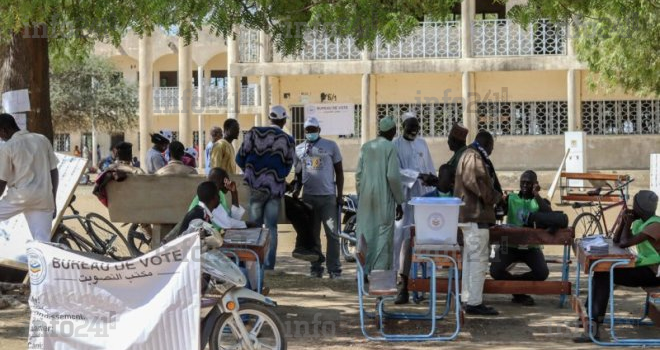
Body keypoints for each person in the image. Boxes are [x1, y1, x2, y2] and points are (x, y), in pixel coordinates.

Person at [574, 190, 660, 342]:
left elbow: (624, 243)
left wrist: (627, 223)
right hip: (645, 269)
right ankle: (590, 320)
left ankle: (594, 325)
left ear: (640, 207)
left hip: (654, 274)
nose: (632, 208)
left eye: (635, 204)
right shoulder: (641, 222)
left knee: (605, 272)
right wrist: (622, 221)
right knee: (602, 271)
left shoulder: (654, 225)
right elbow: (616, 240)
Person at [236, 105, 295, 270]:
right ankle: (269, 265)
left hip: (256, 187)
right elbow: (288, 166)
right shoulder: (288, 140)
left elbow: (240, 158)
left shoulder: (254, 133)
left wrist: (250, 171)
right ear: (283, 121)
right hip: (275, 189)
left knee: (255, 225)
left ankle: (254, 263)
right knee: (271, 227)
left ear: (270, 119)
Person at [454, 130, 503, 316]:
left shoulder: (467, 155)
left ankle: (467, 299)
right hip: (476, 217)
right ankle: (474, 302)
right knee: (478, 261)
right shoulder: (474, 157)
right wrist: (498, 197)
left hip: (468, 217)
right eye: (491, 146)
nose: (491, 150)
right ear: (486, 144)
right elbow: (483, 188)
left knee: (469, 260)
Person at [291, 117, 344, 279]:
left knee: (332, 234)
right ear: (304, 131)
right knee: (313, 235)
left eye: (313, 129)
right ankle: (316, 267)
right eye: (308, 130)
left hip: (328, 197)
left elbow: (339, 172)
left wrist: (339, 195)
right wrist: (296, 190)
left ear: (319, 130)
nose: (310, 132)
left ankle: (334, 269)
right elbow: (298, 173)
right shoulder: (299, 149)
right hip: (309, 197)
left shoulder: (331, 146)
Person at [489, 170, 551, 306]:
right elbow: (498, 213)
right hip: (509, 244)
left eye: (528, 183)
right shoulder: (511, 198)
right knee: (495, 270)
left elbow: (550, 215)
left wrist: (536, 195)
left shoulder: (540, 202)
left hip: (531, 246)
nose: (524, 186)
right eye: (522, 182)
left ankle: (516, 287)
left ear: (535, 185)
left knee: (542, 273)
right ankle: (519, 293)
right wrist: (501, 202)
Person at [391, 112, 435, 304]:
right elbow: (395, 172)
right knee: (400, 240)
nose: (413, 133)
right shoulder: (395, 145)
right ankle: (398, 283)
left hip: (423, 197)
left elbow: (430, 166)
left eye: (416, 129)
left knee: (421, 240)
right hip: (404, 198)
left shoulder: (422, 143)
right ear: (403, 128)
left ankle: (421, 285)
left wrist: (432, 181)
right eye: (410, 129)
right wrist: (417, 176)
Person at [355, 116, 405, 275]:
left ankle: (363, 272)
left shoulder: (366, 147)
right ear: (392, 131)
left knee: (366, 235)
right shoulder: (390, 147)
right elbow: (393, 176)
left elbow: (358, 175)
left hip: (365, 200)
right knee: (383, 237)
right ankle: (380, 275)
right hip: (384, 200)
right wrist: (399, 201)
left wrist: (362, 196)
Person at [0, 113, 59, 242]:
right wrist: (53, 200)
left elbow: (1, 182)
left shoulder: (8, 147)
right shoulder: (42, 139)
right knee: (43, 243)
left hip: (19, 198)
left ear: (4, 130)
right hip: (44, 199)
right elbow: (54, 171)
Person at [189, 168, 257, 230]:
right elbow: (229, 224)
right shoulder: (207, 198)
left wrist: (234, 193)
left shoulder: (219, 196)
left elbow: (232, 219)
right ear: (218, 182)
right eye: (225, 180)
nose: (228, 182)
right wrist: (248, 224)